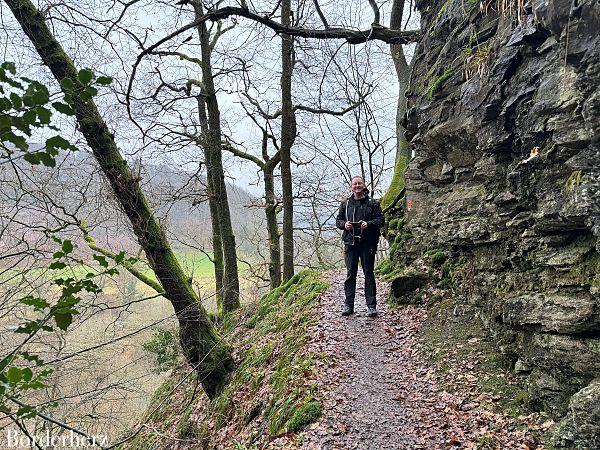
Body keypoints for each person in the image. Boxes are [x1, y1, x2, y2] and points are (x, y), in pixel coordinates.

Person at [336, 176, 384, 317]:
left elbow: (381, 220)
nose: (357, 186)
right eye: (354, 184)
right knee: (351, 274)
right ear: (351, 187)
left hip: (367, 243)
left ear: (364, 186)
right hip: (350, 243)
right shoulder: (345, 204)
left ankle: (371, 306)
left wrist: (368, 224)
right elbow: (338, 221)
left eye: (359, 183)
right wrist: (345, 225)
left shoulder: (373, 204)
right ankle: (348, 305)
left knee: (368, 273)